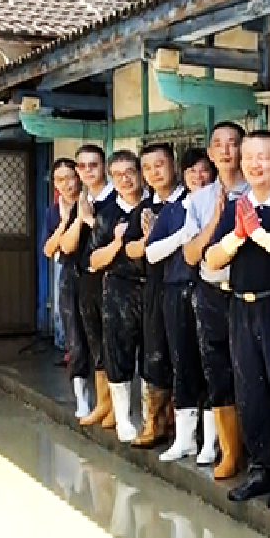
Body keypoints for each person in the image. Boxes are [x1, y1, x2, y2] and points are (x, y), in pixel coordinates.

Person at [206, 130, 270, 509]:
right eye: (248, 156)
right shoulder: (236, 207)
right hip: (240, 308)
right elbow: (211, 260)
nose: (254, 163)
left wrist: (261, 235)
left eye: (263, 157)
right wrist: (237, 235)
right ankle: (261, 468)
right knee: (250, 392)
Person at [183, 123, 247, 480]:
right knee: (217, 372)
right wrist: (216, 222)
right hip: (211, 294)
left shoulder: (256, 191)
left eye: (233, 144)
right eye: (218, 145)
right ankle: (228, 451)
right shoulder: (200, 198)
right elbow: (191, 255)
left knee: (251, 373)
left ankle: (257, 453)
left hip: (247, 295)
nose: (226, 151)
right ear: (209, 153)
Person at [146, 146, 214, 464]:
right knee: (182, 364)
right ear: (182, 175)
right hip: (175, 292)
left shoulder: (220, 205)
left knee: (212, 367)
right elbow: (151, 253)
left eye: (203, 170)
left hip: (210, 292)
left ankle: (211, 442)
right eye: (191, 171)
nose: (198, 176)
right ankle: (185, 439)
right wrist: (183, 237)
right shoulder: (174, 210)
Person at [88, 150, 147, 444]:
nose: (125, 179)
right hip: (119, 287)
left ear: (139, 173)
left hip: (151, 286)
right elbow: (94, 261)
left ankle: (152, 420)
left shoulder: (153, 206)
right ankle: (123, 418)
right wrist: (117, 243)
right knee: (118, 351)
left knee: (154, 355)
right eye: (118, 174)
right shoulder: (108, 213)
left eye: (130, 172)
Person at [124, 143, 180, 449]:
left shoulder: (186, 202)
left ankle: (184, 427)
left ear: (173, 166)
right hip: (153, 289)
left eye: (159, 165)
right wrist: (148, 237)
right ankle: (156, 423)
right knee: (154, 354)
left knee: (183, 357)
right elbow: (131, 249)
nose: (154, 173)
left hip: (184, 288)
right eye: (147, 168)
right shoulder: (145, 208)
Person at [63, 144, 117, 429]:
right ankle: (102, 403)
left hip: (111, 281)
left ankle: (115, 406)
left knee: (112, 343)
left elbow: (113, 242)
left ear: (104, 167)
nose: (87, 171)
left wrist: (92, 221)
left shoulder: (116, 201)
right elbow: (67, 246)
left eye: (92, 165)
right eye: (81, 166)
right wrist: (81, 220)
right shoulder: (81, 201)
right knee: (93, 340)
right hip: (85, 279)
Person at [42, 158, 91, 418]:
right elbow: (49, 249)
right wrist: (63, 223)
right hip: (69, 273)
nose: (66, 184)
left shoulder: (91, 202)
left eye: (70, 177)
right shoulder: (54, 211)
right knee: (75, 339)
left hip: (94, 273)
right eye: (60, 180)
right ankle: (81, 397)